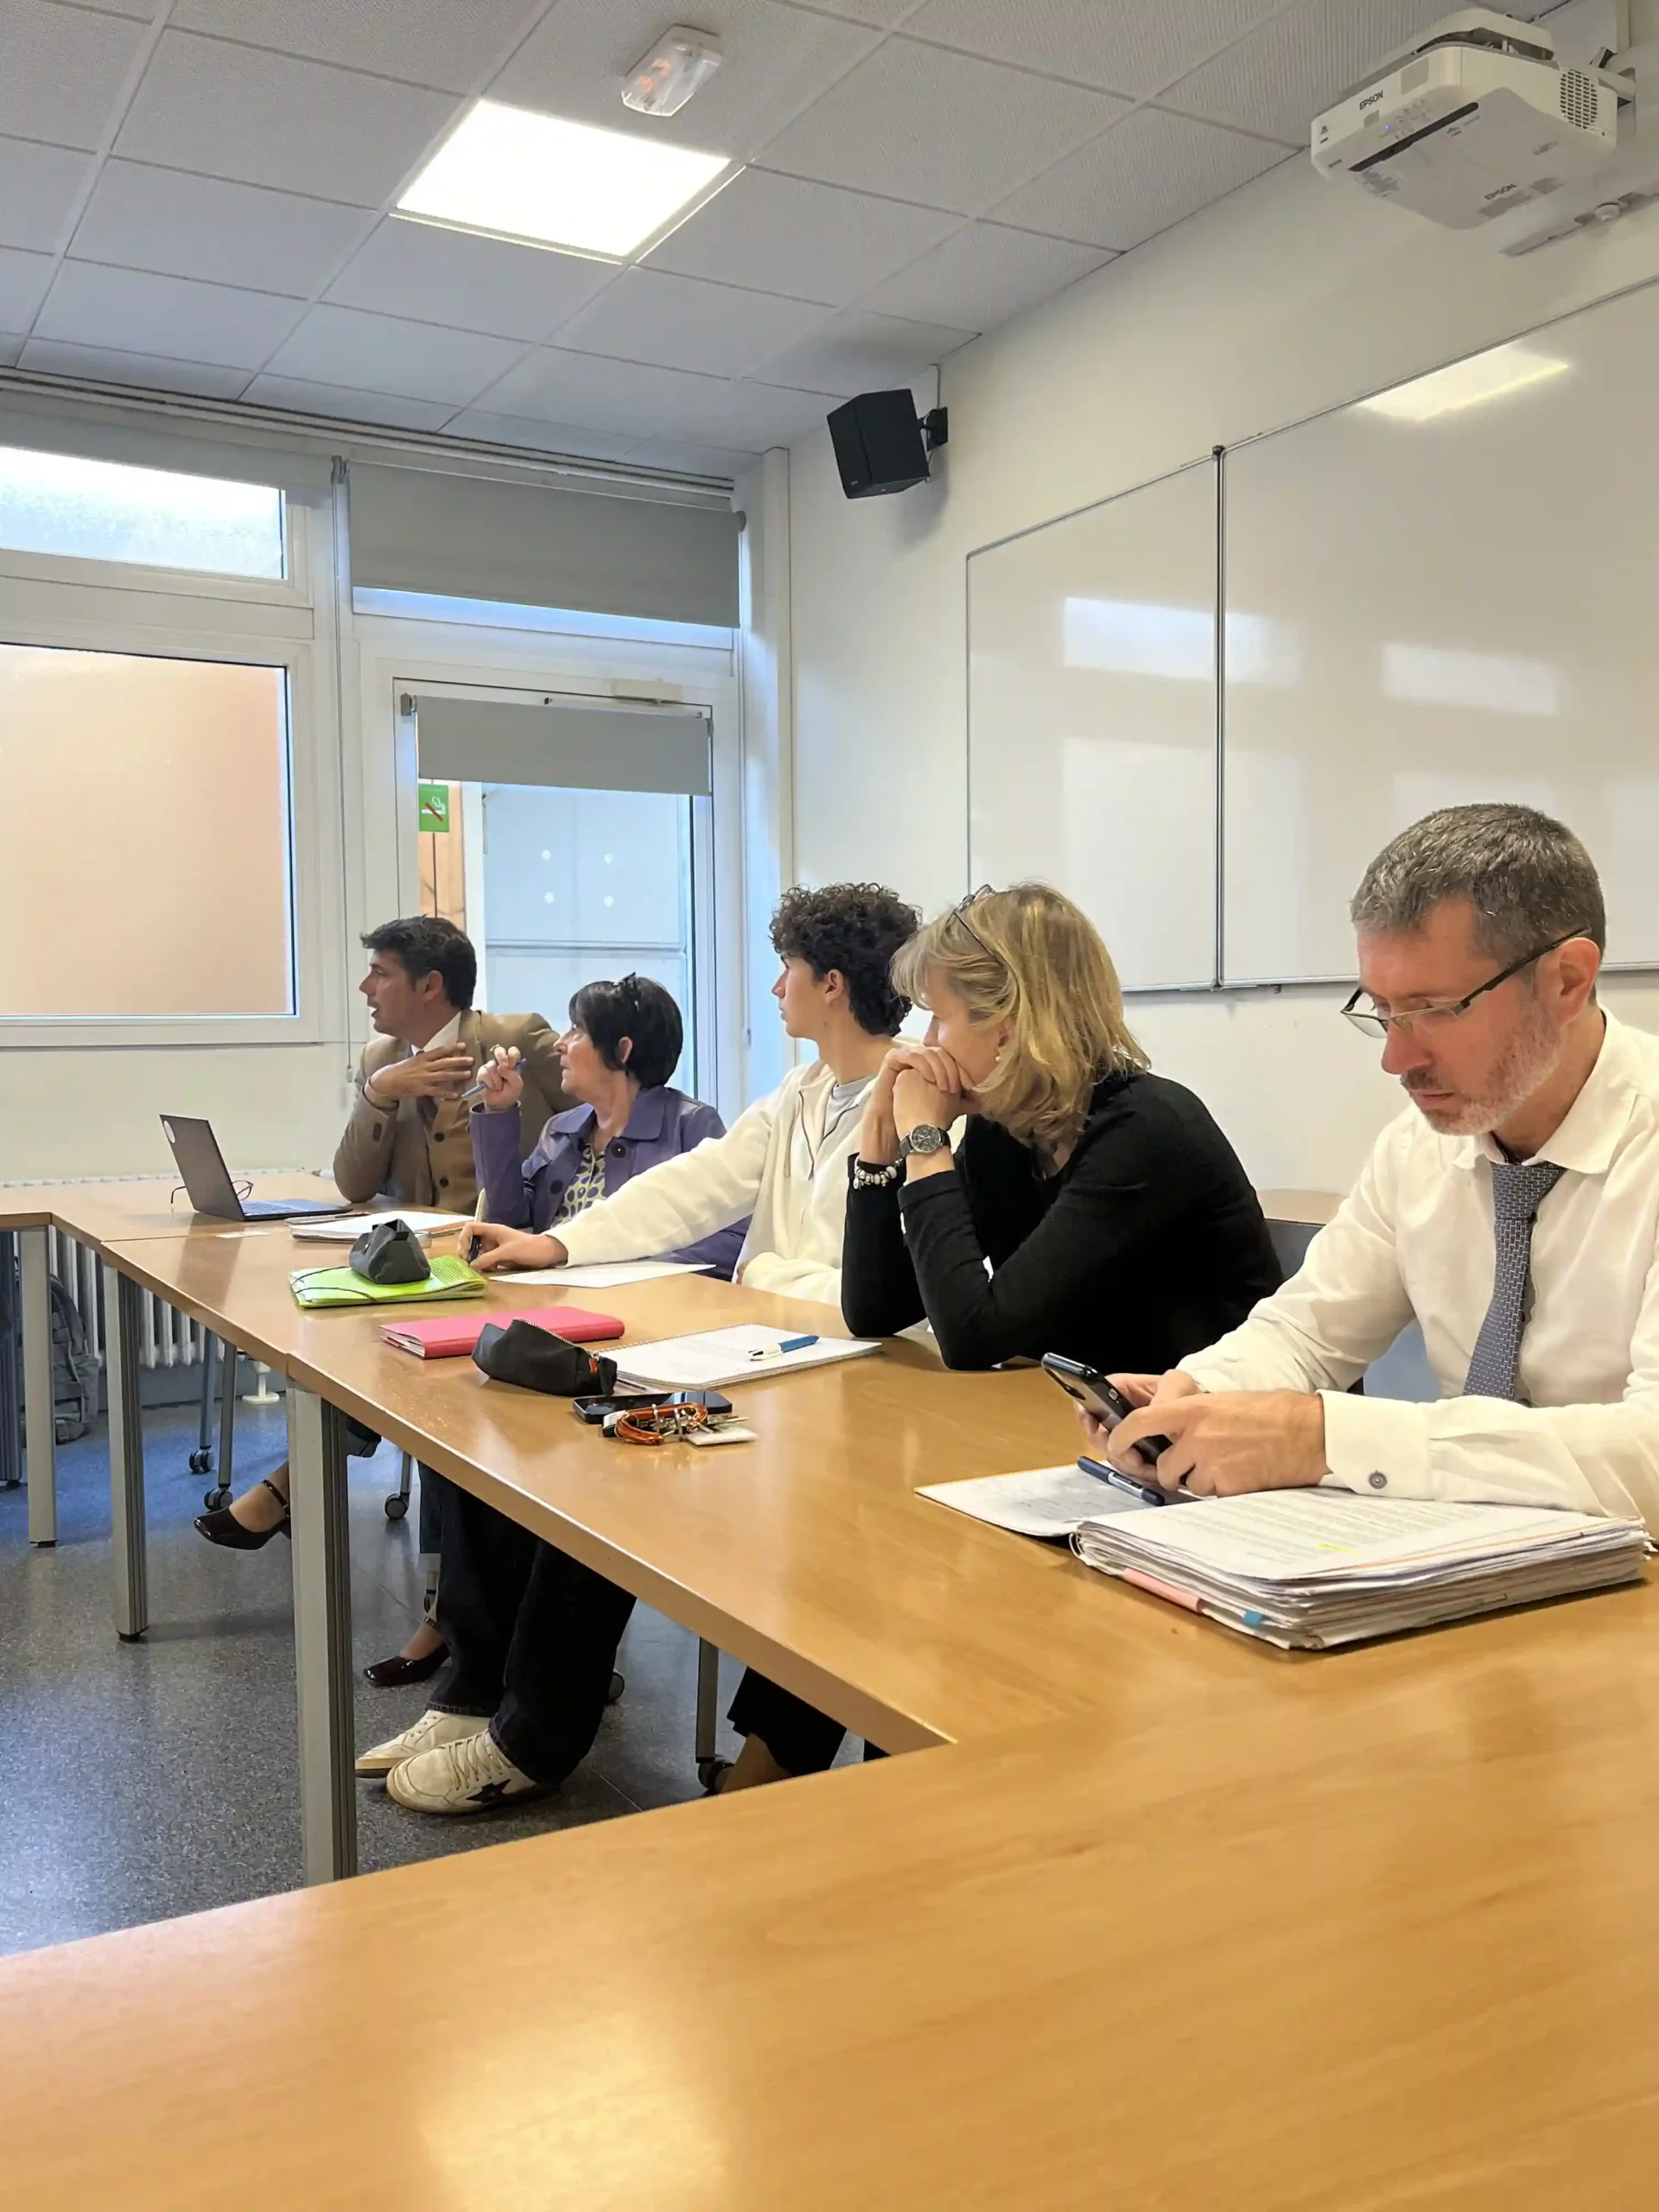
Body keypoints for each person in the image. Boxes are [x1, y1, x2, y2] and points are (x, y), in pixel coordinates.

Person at [356, 881, 920, 1816]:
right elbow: (696, 1187)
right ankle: (477, 1695)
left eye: (785, 969)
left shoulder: (917, 1097)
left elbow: (888, 1294)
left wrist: (765, 1280)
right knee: (546, 1444)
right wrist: (558, 1246)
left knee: (614, 1473)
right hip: (770, 1365)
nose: (773, 987)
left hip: (852, 1395)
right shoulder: (803, 1091)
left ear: (831, 984)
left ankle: (529, 1737)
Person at [720, 881, 1283, 1791]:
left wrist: (927, 1144)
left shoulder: (1144, 1130)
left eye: (941, 1017)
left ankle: (844, 1794)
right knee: (873, 1543)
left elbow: (976, 1331)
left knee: (907, 1564)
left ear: (1010, 1027)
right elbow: (875, 1307)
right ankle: (788, 1781)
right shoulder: (1010, 1136)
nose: (924, 1042)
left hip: (1210, 1482)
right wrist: (879, 1152)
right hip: (1091, 1446)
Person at [1096, 803, 1659, 1534]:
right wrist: (1197, 1396)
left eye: (1436, 1009)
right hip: (1471, 1557)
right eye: (1383, 1009)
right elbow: (1307, 1333)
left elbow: (1651, 1455)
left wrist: (1325, 1439)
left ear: (1567, 981)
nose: (1397, 1058)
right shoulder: (1418, 1148)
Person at [194, 914, 567, 1684]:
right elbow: (353, 1184)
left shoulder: (516, 1039)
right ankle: (436, 1603)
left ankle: (299, 1497)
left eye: (382, 974)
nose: (367, 988)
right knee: (371, 1356)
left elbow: (593, 1125)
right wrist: (379, 1094)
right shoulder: (380, 1058)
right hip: (415, 1274)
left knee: (420, 1383)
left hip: (502, 1270)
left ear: (430, 986)